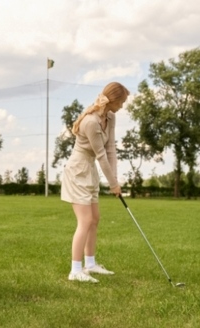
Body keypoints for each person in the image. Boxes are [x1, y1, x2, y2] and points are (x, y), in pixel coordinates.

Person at [61, 82, 130, 283]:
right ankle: (75, 270)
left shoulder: (110, 117)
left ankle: (90, 264)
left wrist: (114, 181)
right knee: (85, 220)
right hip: (77, 171)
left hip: (89, 170)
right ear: (114, 100)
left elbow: (110, 150)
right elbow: (101, 156)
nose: (123, 106)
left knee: (95, 218)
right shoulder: (90, 122)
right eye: (122, 101)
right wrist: (113, 184)